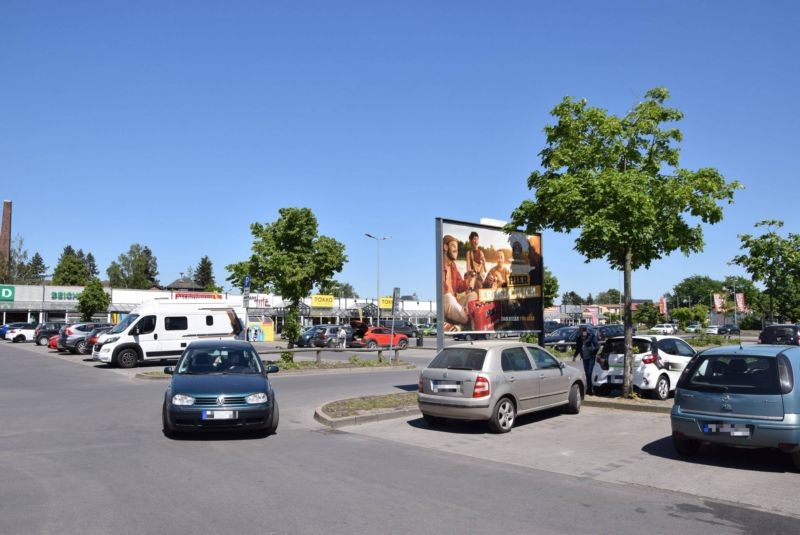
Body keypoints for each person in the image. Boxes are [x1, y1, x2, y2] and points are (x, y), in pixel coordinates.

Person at [442, 234, 476, 329]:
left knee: (474, 295)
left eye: (457, 247)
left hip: (455, 305)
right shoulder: (440, 264)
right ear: (445, 247)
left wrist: (468, 281)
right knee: (448, 297)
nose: (456, 249)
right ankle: (467, 320)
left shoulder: (453, 266)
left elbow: (459, 286)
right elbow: (445, 293)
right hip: (446, 304)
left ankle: (461, 321)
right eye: (453, 246)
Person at [573, 326, 598, 395]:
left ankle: (590, 389)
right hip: (584, 358)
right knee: (587, 374)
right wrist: (574, 356)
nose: (583, 333)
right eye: (581, 331)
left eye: (584, 331)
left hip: (591, 357)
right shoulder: (579, 339)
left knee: (589, 373)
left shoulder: (592, 337)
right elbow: (578, 348)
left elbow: (597, 347)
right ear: (580, 332)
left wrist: (592, 352)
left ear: (586, 331)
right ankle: (589, 389)